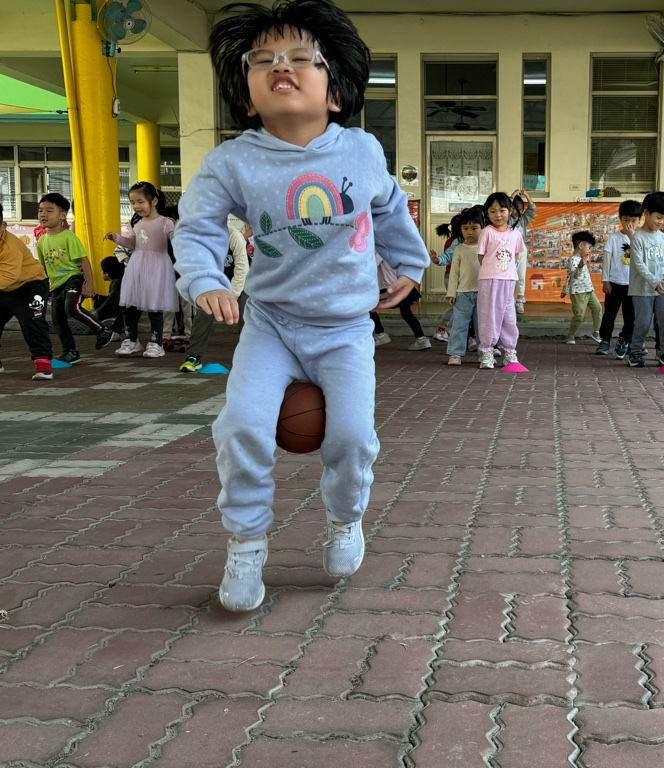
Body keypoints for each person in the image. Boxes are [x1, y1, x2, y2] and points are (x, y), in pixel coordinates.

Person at [171, 0, 429, 612]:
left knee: (352, 437)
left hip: (346, 329)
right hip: (272, 326)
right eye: (261, 60)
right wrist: (204, 279)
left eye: (298, 58)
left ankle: (345, 520)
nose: (279, 67)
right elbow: (197, 227)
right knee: (240, 427)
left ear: (335, 91)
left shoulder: (362, 150)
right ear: (247, 93)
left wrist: (410, 263)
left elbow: (390, 206)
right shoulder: (231, 161)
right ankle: (246, 543)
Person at [104, 182, 178, 359]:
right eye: (132, 202)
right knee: (129, 305)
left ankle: (156, 343)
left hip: (158, 266)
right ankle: (131, 340)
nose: (136, 206)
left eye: (140, 202)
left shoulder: (165, 222)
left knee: (155, 306)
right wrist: (117, 238)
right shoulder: (135, 222)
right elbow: (131, 243)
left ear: (154, 201)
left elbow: (176, 240)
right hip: (136, 265)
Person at [36, 193, 111, 363]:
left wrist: (89, 283)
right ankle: (70, 352)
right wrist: (43, 286)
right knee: (58, 320)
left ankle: (102, 329)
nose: (43, 214)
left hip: (73, 279)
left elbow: (84, 261)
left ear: (62, 216)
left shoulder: (69, 236)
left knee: (72, 308)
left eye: (49, 211)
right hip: (56, 285)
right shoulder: (42, 241)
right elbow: (43, 267)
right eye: (40, 211)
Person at [179, 223, 251, 373]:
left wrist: (232, 297)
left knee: (246, 316)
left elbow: (242, 269)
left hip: (241, 282)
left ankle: (251, 357)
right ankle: (194, 357)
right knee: (203, 314)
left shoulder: (234, 236)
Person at [627, 191, 664, 369]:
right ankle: (636, 351)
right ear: (646, 213)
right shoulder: (637, 238)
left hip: (661, 289)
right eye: (658, 217)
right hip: (641, 290)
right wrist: (654, 282)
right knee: (643, 322)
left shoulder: (663, 238)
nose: (661, 222)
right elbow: (639, 265)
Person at [0, 200, 53, 381]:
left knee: (32, 321)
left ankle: (42, 361)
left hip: (30, 285)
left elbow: (9, 276)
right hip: (2, 287)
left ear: (3, 226)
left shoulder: (10, 247)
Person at [477, 191, 525, 370]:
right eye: (493, 211)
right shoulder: (486, 232)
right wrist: (494, 270)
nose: (498, 215)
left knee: (508, 316)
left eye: (502, 210)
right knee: (488, 315)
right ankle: (487, 352)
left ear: (510, 211)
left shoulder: (515, 233)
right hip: (489, 280)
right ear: (487, 213)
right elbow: (481, 257)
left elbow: (516, 255)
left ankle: (510, 352)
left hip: (508, 280)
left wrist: (505, 271)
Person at [596, 200, 641, 358]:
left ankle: (627, 341)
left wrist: (632, 236)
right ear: (620, 219)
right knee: (610, 313)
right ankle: (605, 340)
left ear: (639, 220)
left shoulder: (641, 238)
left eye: (634, 220)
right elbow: (607, 260)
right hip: (614, 283)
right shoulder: (613, 238)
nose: (630, 224)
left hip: (633, 285)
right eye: (626, 220)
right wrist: (605, 280)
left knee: (631, 316)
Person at [445, 206, 485, 366]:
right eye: (465, 228)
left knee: (482, 326)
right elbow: (454, 272)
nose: (470, 232)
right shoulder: (459, 249)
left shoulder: (486, 248)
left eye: (474, 228)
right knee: (459, 324)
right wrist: (452, 293)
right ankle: (455, 353)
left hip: (483, 293)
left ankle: (485, 352)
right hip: (462, 293)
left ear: (483, 228)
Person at [370, 251, 431, 351]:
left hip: (389, 285)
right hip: (401, 282)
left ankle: (380, 334)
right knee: (406, 313)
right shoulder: (397, 248)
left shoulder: (382, 250)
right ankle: (421, 339)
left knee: (369, 308)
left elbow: (372, 264)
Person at [561, 231, 602, 344]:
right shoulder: (573, 260)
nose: (590, 251)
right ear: (581, 245)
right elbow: (573, 276)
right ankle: (570, 335)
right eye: (589, 248)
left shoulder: (582, 259)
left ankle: (596, 332)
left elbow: (571, 277)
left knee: (597, 308)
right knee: (579, 315)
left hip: (589, 291)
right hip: (578, 293)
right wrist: (579, 267)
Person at [430, 211, 462, 342]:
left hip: (453, 276)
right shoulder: (456, 242)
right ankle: (441, 330)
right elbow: (447, 257)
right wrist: (438, 260)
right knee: (455, 305)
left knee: (458, 305)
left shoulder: (452, 241)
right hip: (453, 277)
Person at [510, 188, 537, 315]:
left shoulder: (523, 220)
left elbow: (533, 209)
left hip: (521, 251)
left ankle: (520, 300)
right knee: (509, 277)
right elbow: (505, 206)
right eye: (515, 209)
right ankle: (509, 300)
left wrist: (526, 194)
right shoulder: (506, 219)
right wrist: (513, 195)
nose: (518, 212)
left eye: (520, 209)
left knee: (521, 276)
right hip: (508, 252)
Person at [93, 256, 126, 340]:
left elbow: (112, 299)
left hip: (121, 309)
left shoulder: (117, 283)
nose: (101, 272)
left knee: (99, 303)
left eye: (102, 270)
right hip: (121, 307)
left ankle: (112, 329)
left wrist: (98, 311)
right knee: (99, 299)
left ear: (106, 273)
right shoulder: (117, 282)